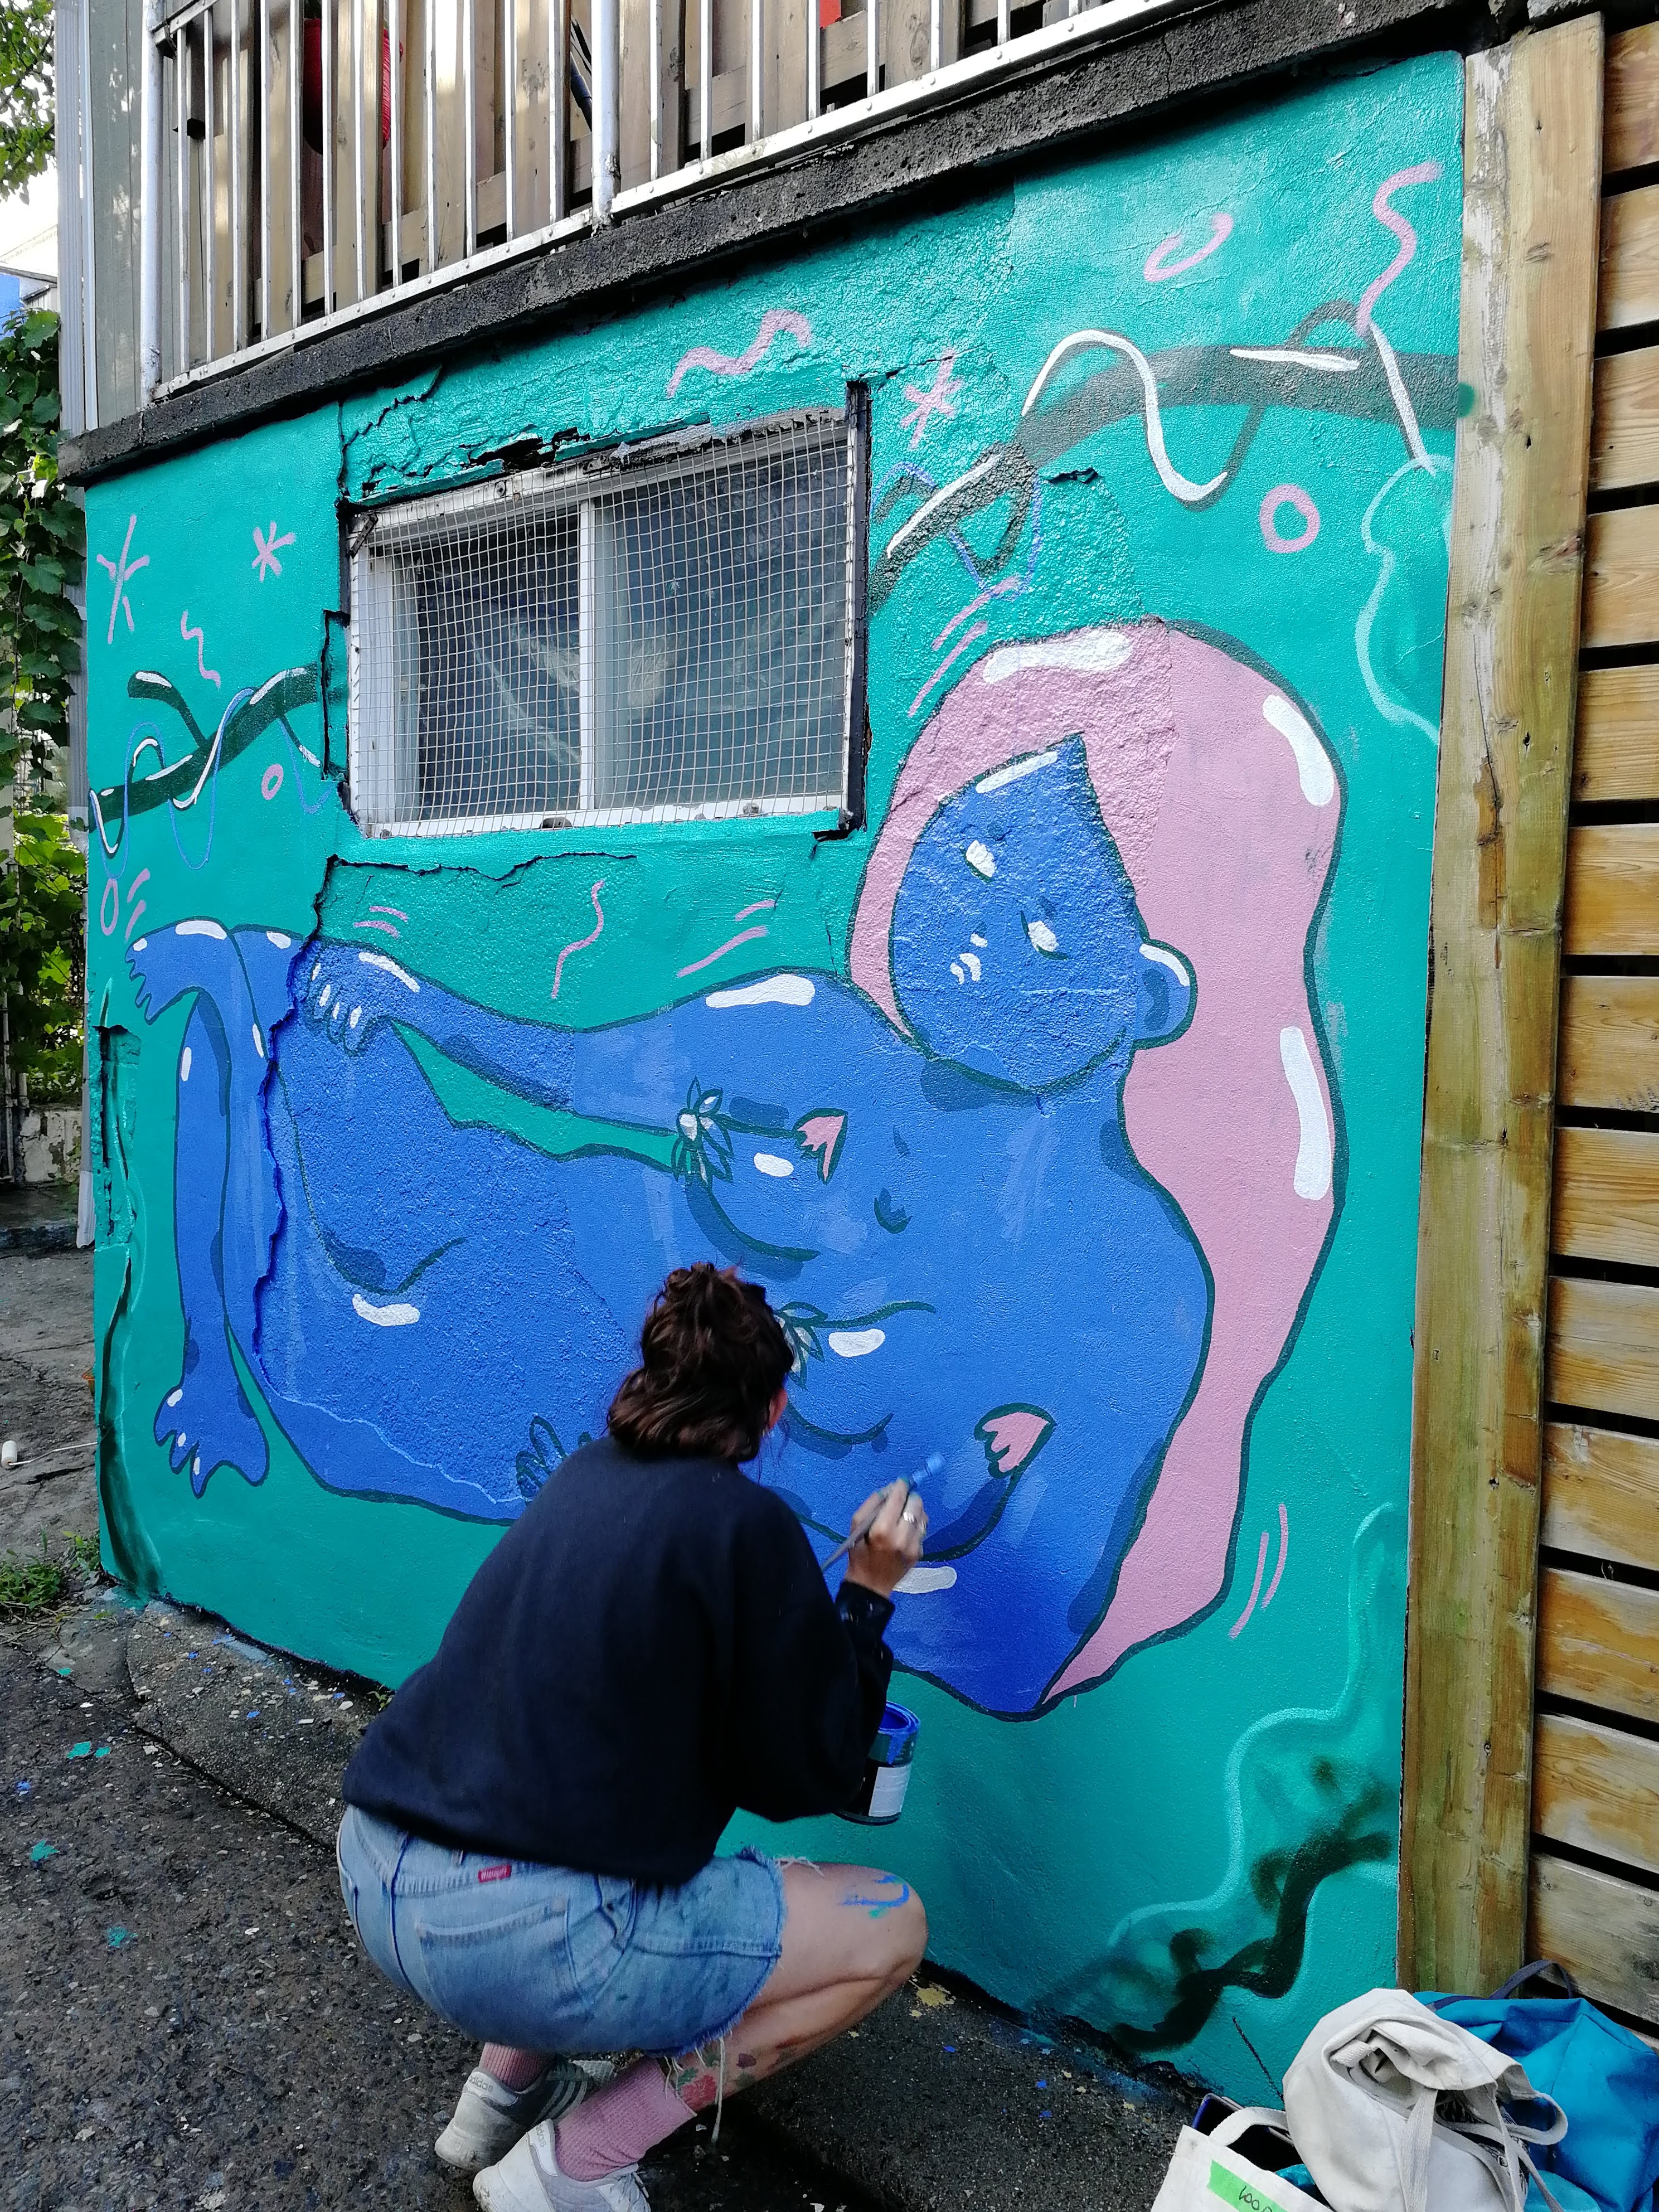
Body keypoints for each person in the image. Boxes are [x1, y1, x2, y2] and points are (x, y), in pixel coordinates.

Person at [334, 1262, 929, 2212]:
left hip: (376, 1876)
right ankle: (575, 2166)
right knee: (892, 1926)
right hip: (516, 1944)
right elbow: (812, 1771)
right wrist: (867, 1595)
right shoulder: (748, 1527)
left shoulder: (583, 1478)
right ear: (773, 1410)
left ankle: (498, 2098)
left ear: (652, 1376)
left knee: (583, 1829)